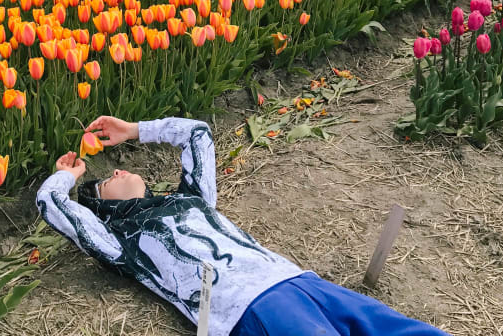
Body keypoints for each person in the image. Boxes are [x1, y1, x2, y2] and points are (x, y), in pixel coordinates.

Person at [36, 115, 450, 336]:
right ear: (102, 211)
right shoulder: (122, 243)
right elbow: (50, 202)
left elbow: (197, 134)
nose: (119, 172)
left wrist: (135, 131)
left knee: (394, 328)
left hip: (296, 278)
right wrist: (69, 178)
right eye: (106, 182)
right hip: (249, 307)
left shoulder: (192, 197)